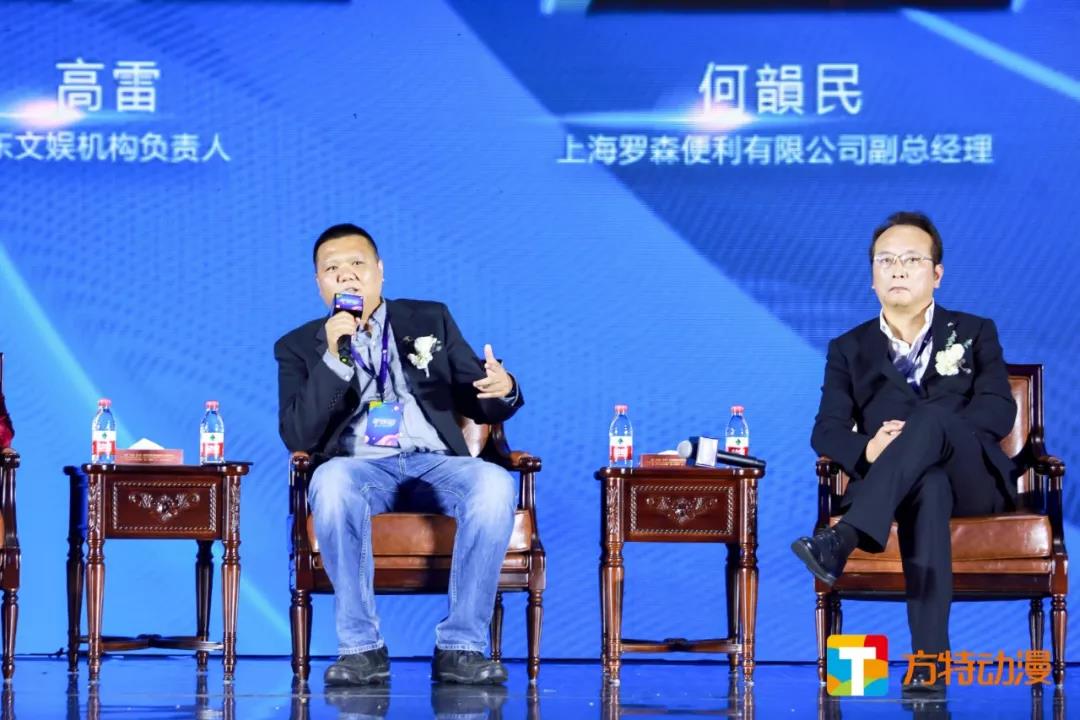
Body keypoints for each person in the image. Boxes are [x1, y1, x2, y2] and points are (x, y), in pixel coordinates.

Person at [275, 223, 523, 686]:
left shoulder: (430, 319)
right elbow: (298, 435)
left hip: (436, 461)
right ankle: (361, 649)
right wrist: (334, 358)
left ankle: (461, 647)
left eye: (357, 264)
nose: (346, 276)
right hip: (359, 466)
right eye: (332, 269)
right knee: (329, 482)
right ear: (319, 283)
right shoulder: (298, 346)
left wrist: (502, 388)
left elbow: (477, 397)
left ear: (380, 271)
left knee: (494, 482)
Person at [791, 211, 1016, 689]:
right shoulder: (848, 348)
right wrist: (870, 448)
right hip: (901, 490)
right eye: (886, 260)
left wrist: (931, 433)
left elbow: (999, 412)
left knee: (931, 420)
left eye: (912, 260)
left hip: (972, 480)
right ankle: (930, 665)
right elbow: (826, 431)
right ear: (872, 277)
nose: (897, 269)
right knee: (927, 486)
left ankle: (843, 539)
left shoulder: (975, 331)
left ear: (937, 274)